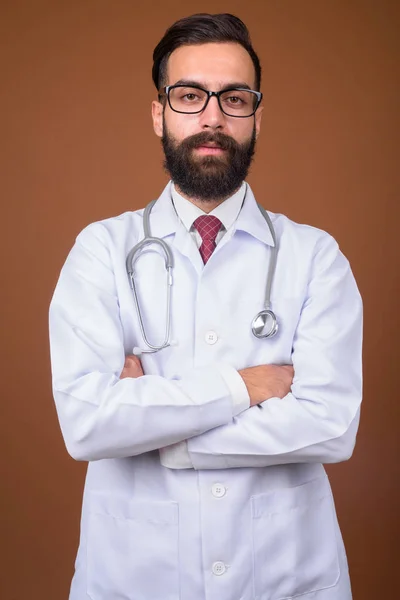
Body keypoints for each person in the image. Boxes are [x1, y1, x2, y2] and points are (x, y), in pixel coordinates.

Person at [49, 13, 363, 600]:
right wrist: (246, 386)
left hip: (286, 577)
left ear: (256, 117)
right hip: (135, 577)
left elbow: (331, 425)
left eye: (234, 98)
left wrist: (154, 428)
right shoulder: (101, 250)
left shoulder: (315, 256)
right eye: (190, 95)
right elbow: (87, 424)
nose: (213, 116)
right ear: (158, 113)